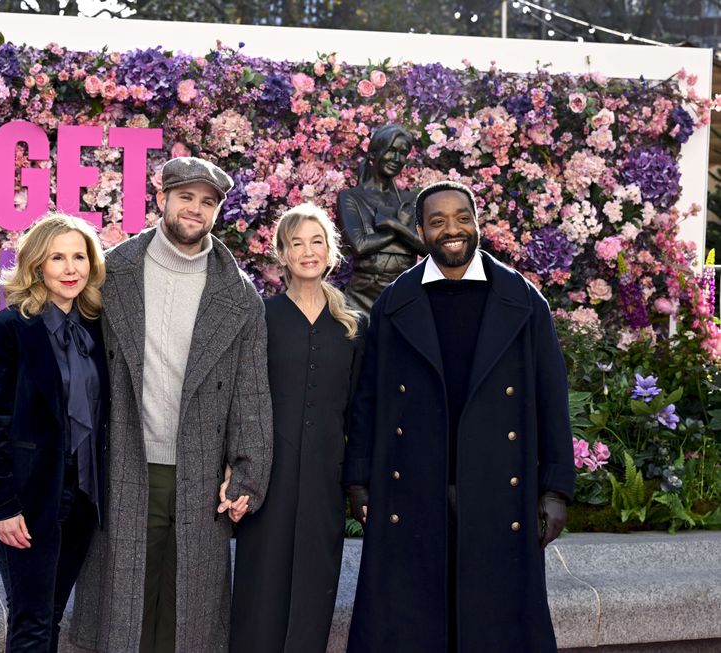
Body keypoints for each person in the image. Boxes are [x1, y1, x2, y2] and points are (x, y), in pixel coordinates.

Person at [343, 180, 574, 653]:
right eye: (438, 221)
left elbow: (552, 399)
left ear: (477, 223)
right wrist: (359, 480)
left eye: (462, 218)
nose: (453, 230)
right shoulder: (395, 301)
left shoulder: (523, 300)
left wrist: (555, 489)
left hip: (497, 492)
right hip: (413, 489)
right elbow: (369, 399)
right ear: (421, 230)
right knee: (412, 627)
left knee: (494, 629)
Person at [70, 156, 273, 653]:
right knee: (125, 604)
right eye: (186, 197)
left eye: (208, 202)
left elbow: (251, 392)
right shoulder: (112, 271)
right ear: (163, 198)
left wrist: (248, 473)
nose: (194, 209)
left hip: (200, 471)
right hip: (124, 460)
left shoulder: (239, 295)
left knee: (187, 612)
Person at [230, 203, 365, 653]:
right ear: (282, 255)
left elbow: (360, 411)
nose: (308, 252)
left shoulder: (352, 327)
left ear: (330, 252)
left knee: (315, 585)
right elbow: (237, 400)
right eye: (297, 244)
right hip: (268, 476)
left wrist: (357, 481)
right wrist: (234, 470)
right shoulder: (261, 319)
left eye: (317, 241)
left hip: (327, 478)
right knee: (260, 587)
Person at [0, 212, 109, 653]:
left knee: (49, 617)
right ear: (36, 265)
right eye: (58, 258)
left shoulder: (97, 330)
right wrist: (3, 506)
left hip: (82, 498)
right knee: (31, 621)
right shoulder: (8, 329)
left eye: (79, 257)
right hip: (27, 500)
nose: (71, 269)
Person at [338, 123, 428, 313]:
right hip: (361, 295)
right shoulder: (351, 197)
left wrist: (393, 225)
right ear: (373, 153)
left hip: (403, 294)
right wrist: (402, 232)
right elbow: (360, 245)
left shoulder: (410, 200)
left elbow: (425, 247)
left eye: (403, 153)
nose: (397, 158)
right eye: (391, 150)